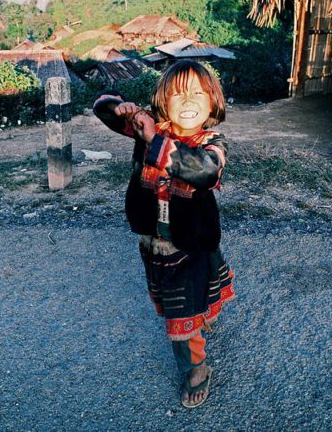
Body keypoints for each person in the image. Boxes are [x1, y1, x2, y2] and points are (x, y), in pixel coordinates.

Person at [92, 60, 235, 409]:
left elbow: (204, 171)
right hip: (154, 243)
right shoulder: (149, 127)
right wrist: (118, 107)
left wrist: (155, 141)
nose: (187, 101)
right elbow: (103, 111)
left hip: (192, 243)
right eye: (177, 94)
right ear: (162, 102)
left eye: (197, 93)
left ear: (213, 100)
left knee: (180, 317)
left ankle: (196, 369)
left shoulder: (212, 143)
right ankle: (199, 321)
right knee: (187, 298)